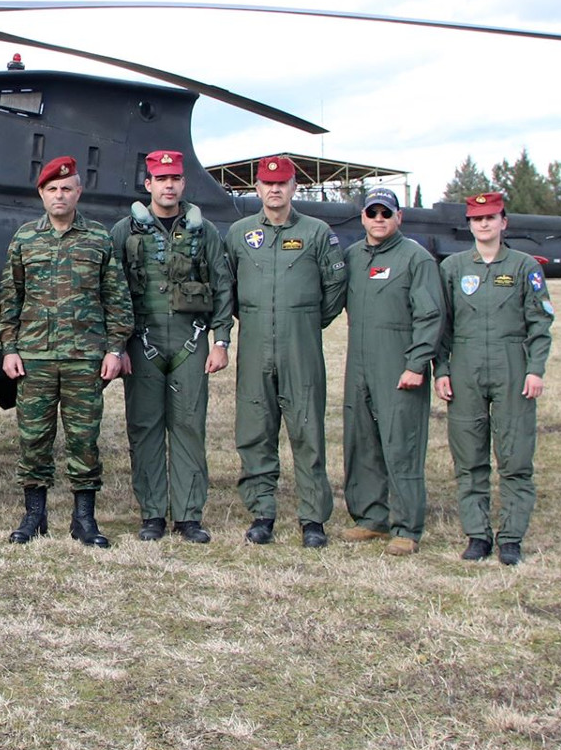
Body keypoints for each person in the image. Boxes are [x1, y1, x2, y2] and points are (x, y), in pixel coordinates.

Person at [0, 155, 132, 547]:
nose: (60, 195)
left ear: (78, 192)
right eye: (52, 189)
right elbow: (10, 297)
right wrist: (9, 348)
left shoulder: (98, 238)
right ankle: (34, 516)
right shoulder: (25, 238)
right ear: (42, 194)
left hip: (84, 358)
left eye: (66, 188)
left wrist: (115, 348)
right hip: (35, 358)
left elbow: (117, 297)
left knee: (83, 440)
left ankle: (84, 520)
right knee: (33, 439)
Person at [110, 150, 232, 544]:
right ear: (148, 184)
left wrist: (221, 340)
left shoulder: (204, 231)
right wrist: (117, 346)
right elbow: (111, 289)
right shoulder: (124, 231)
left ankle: (188, 515)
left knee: (189, 426)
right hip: (141, 340)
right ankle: (152, 513)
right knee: (144, 427)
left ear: (183, 183)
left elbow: (222, 285)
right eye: (161, 179)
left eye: (175, 179)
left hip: (189, 339)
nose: (168, 185)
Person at [224, 155, 346, 547]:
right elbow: (228, 287)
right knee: (255, 430)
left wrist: (305, 320)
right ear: (257, 188)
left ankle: (313, 518)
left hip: (300, 346)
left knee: (307, 431)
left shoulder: (316, 232)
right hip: (255, 344)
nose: (274, 189)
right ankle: (262, 512)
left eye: (282, 183)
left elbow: (335, 288)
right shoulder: (240, 233)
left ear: (294, 187)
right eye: (267, 183)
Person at [435, 190, 554, 566]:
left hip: (512, 366)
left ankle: (512, 537)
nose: (483, 224)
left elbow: (540, 322)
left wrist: (535, 369)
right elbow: (442, 325)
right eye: (477, 219)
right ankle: (477, 535)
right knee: (469, 458)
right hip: (466, 367)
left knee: (515, 458)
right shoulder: (453, 268)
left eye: (490, 218)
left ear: (504, 222)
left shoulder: (524, 267)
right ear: (469, 225)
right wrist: (442, 370)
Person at [338, 187, 443, 556]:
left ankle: (406, 526)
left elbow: (430, 315)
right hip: (359, 360)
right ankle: (371, 518)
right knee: (361, 441)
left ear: (400, 217)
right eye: (373, 213)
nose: (379, 219)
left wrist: (416, 364)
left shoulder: (416, 258)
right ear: (363, 217)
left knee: (402, 444)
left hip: (397, 362)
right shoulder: (353, 256)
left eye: (386, 213)